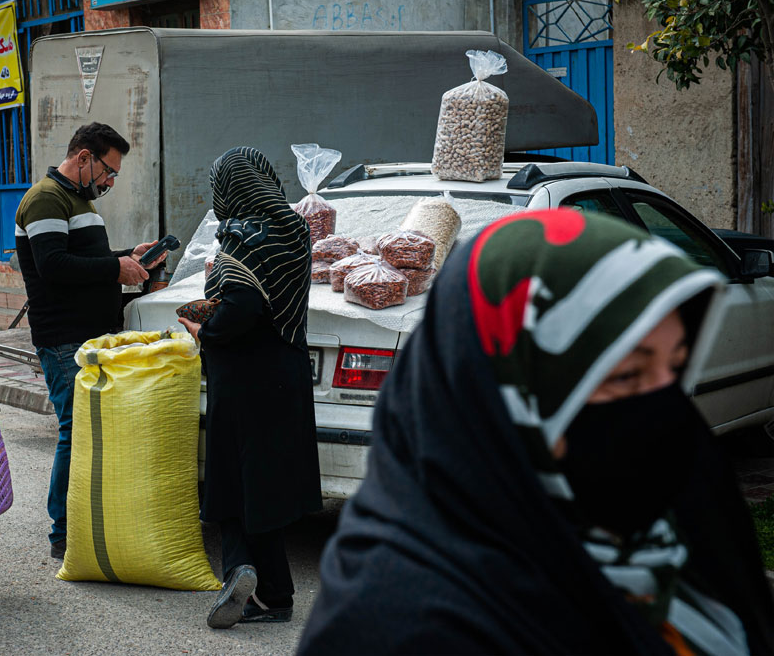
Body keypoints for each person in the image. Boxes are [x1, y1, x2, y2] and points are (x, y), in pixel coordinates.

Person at [297, 209, 774, 654]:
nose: (662, 411)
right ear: (504, 394)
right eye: (624, 376)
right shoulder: (395, 624)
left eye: (673, 369)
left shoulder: (681, 488)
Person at [178, 147, 322, 629]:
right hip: (286, 370)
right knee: (266, 482)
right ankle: (270, 590)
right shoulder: (294, 231)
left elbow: (238, 310)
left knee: (234, 479)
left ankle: (246, 574)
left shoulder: (245, 240)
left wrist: (203, 331)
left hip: (244, 377)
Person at [14, 122, 167, 559]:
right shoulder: (46, 198)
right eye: (107, 170)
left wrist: (127, 258)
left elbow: (84, 260)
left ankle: (85, 519)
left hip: (90, 334)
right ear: (83, 157)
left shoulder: (77, 200)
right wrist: (113, 268)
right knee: (75, 429)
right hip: (65, 337)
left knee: (89, 430)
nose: (109, 180)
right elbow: (54, 266)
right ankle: (62, 531)